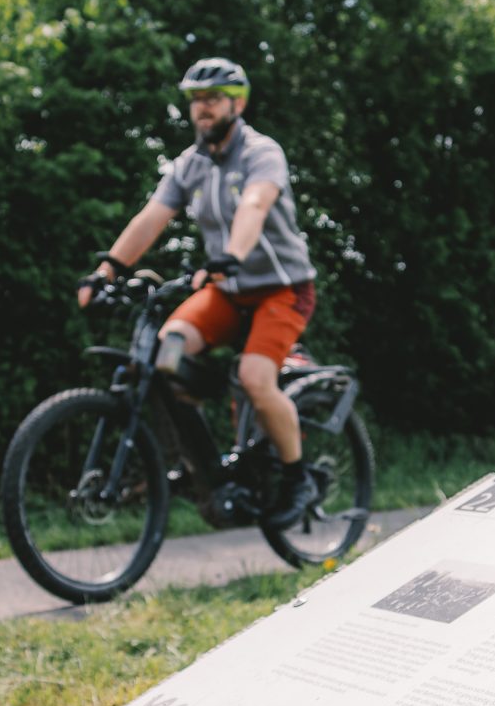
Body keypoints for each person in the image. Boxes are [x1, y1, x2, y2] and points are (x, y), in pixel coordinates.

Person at [77, 56, 322, 529]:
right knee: (166, 352)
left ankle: (297, 478)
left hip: (282, 289)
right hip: (228, 290)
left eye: (212, 99)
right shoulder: (189, 165)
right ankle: (201, 466)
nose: (202, 108)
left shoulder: (260, 152)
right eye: (195, 101)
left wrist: (230, 253)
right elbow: (151, 216)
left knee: (254, 377)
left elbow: (254, 203)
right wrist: (107, 268)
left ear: (237, 102)